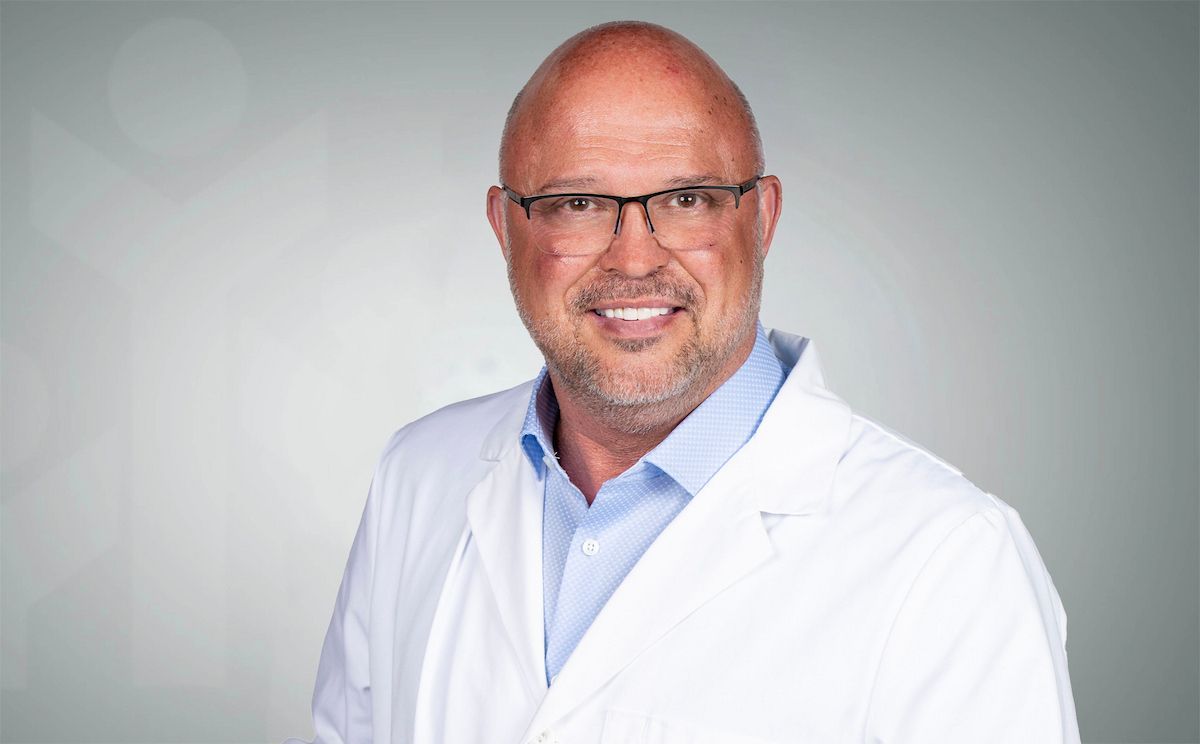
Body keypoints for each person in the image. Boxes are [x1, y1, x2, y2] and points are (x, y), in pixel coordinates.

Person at [287, 21, 1081, 744]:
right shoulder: (419, 475)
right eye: (578, 202)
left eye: (689, 199)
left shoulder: (947, 560)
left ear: (762, 219)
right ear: (506, 228)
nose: (634, 258)